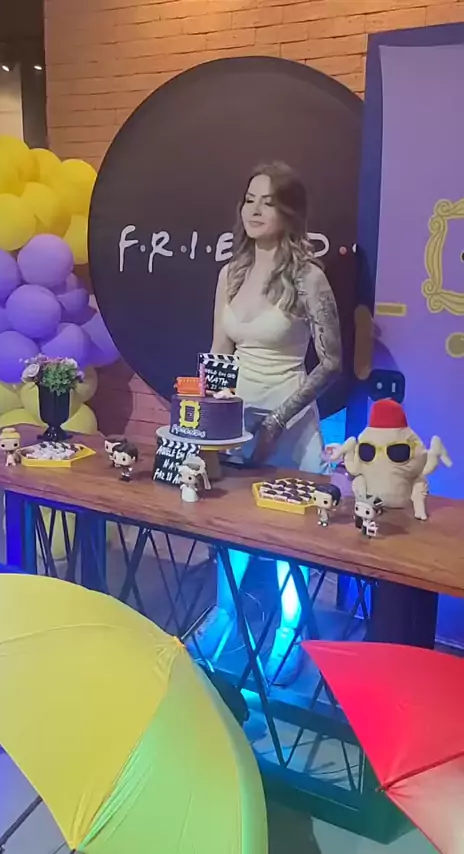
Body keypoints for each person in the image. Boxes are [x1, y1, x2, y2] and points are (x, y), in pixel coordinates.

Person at [193, 162, 342, 685]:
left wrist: (277, 421)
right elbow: (220, 350)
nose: (255, 210)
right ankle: (226, 614)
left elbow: (331, 362)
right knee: (228, 525)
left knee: (287, 538)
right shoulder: (230, 273)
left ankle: (291, 633)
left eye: (269, 201)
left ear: (290, 212)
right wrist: (207, 414)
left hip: (289, 423)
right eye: (249, 199)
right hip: (235, 423)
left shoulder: (308, 277)